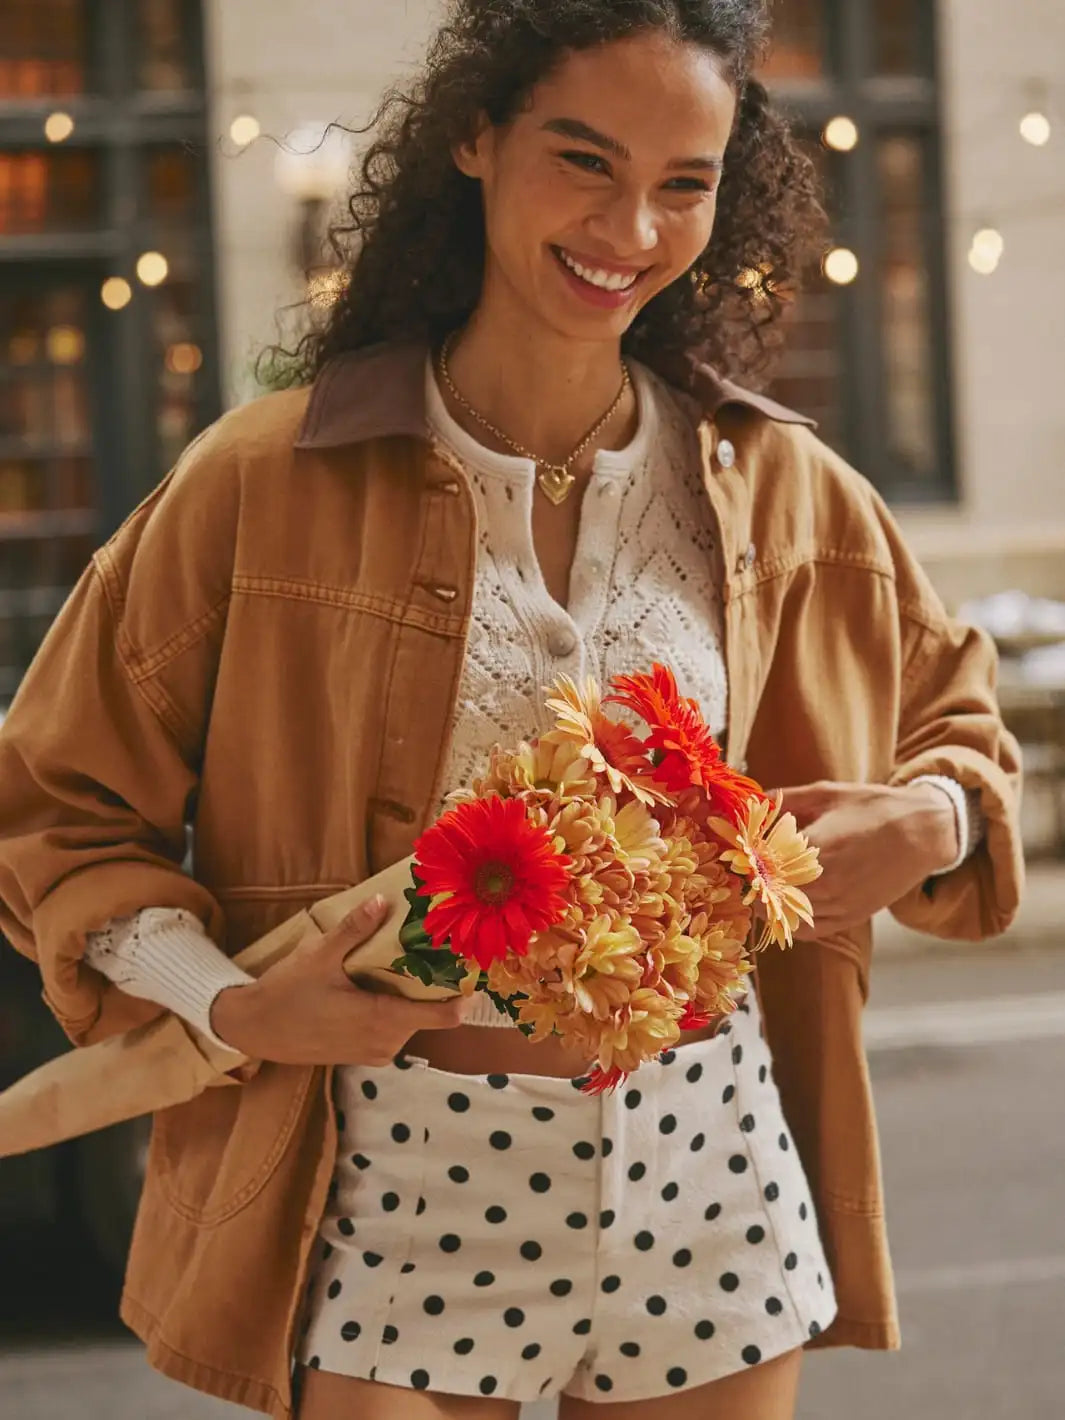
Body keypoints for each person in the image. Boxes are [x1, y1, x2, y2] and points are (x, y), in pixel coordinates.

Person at [0, 2, 1023, 1418]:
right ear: (474, 139)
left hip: (705, 1154)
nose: (632, 228)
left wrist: (930, 815)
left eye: (683, 181)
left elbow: (965, 736)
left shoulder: (778, 487)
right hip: (398, 1170)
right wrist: (237, 1003)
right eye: (583, 160)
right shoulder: (259, 483)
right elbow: (50, 807)